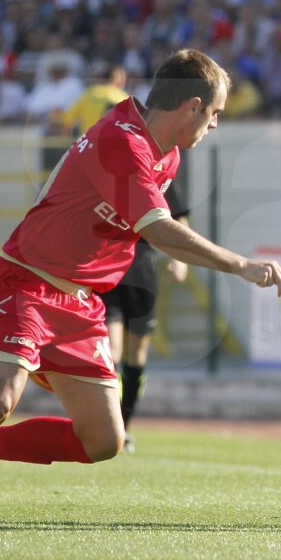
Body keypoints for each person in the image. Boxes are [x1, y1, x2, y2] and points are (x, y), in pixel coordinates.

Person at [0, 49, 281, 538]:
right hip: (27, 281)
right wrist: (241, 265)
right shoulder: (121, 141)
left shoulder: (166, 154)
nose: (215, 125)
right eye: (215, 114)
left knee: (104, 440)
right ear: (191, 106)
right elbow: (161, 232)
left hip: (80, 303)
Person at [102, 181, 190, 452]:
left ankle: (124, 428)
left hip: (142, 269)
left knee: (136, 356)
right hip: (108, 267)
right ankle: (110, 424)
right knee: (111, 351)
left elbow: (179, 218)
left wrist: (181, 258)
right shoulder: (107, 168)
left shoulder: (160, 172)